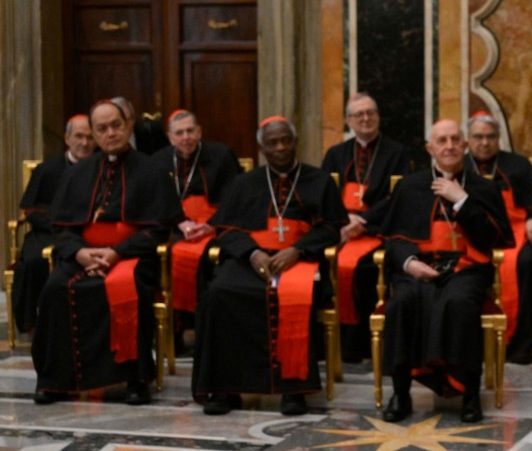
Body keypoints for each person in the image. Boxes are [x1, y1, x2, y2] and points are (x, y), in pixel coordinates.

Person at [192, 116, 346, 416]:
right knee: (220, 293)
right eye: (273, 143)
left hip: (299, 259)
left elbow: (332, 227)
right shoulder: (244, 183)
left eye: (285, 140)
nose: (280, 147)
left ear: (295, 142)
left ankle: (293, 389)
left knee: (295, 296)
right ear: (262, 148)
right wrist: (252, 253)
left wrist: (297, 250)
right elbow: (226, 229)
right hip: (252, 260)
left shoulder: (319, 181)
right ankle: (225, 388)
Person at [32, 100, 182, 405]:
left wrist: (116, 252)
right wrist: (80, 253)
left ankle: (134, 380)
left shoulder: (152, 170)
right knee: (55, 288)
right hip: (84, 255)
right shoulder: (77, 174)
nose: (110, 133)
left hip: (132, 256)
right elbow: (61, 227)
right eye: (102, 128)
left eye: (116, 125)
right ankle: (56, 381)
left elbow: (158, 229)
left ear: (128, 125)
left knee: (131, 288)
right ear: (94, 133)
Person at [378, 119, 513, 424]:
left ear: (465, 146)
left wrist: (462, 200)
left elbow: (492, 239)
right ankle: (400, 393)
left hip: (467, 270)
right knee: (402, 302)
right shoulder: (410, 186)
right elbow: (393, 239)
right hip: (418, 267)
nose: (449, 146)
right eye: (442, 141)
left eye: (455, 140)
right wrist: (410, 264)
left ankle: (469, 394)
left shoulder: (484, 187)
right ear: (430, 148)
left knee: (459, 303)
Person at [320, 93, 410, 362]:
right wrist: (343, 220)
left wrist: (364, 221)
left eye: (371, 112)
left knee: (366, 270)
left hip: (377, 229)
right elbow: (323, 194)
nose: (366, 118)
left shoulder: (397, 152)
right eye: (359, 114)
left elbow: (399, 196)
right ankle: (332, 343)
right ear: (348, 120)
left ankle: (362, 344)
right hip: (342, 229)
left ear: (378, 117)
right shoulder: (335, 154)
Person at [464, 111, 532, 364]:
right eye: (478, 137)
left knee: (529, 262)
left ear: (498, 138)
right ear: (468, 139)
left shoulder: (518, 165)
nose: (484, 143)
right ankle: (472, 345)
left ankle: (522, 345)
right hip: (471, 236)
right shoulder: (459, 166)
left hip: (515, 234)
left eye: (490, 137)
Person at [151, 110, 241, 327]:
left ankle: (203, 324)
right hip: (174, 226)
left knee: (209, 259)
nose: (186, 137)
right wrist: (180, 222)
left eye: (190, 131)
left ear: (199, 132)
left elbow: (234, 197)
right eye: (179, 133)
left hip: (213, 226)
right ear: (170, 137)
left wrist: (210, 225)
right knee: (161, 255)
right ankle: (175, 327)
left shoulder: (222, 155)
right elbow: (154, 200)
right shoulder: (157, 161)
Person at [12, 115, 95, 334]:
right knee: (34, 261)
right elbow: (30, 209)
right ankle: (34, 324)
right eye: (79, 136)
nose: (84, 143)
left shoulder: (101, 168)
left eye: (89, 137)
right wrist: (58, 225)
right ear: (67, 138)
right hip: (48, 231)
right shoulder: (48, 169)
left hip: (86, 232)